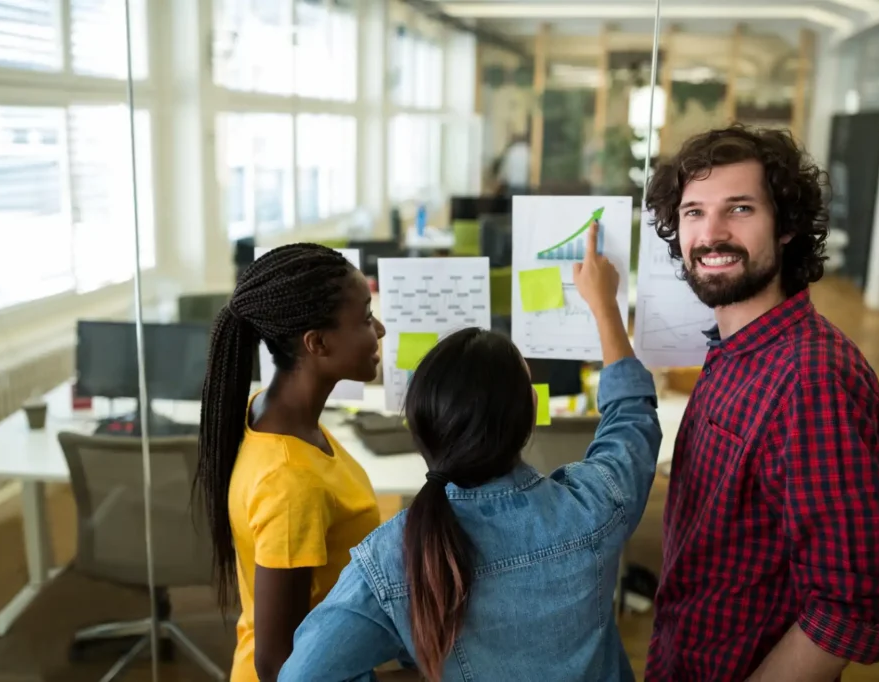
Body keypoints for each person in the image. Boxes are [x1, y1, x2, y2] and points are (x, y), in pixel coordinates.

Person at [278, 221, 663, 682]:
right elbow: (632, 418)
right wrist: (604, 308)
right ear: (531, 412)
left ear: (419, 425)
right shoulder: (593, 507)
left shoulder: (389, 559)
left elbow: (302, 676)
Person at [643, 125, 879, 681]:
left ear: (786, 227)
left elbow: (849, 604)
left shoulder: (810, 379)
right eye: (693, 212)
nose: (710, 234)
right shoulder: (737, 350)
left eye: (738, 209)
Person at [193, 243, 386, 682]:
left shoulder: (272, 412)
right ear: (316, 342)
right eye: (364, 318)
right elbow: (279, 663)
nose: (380, 329)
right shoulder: (290, 481)